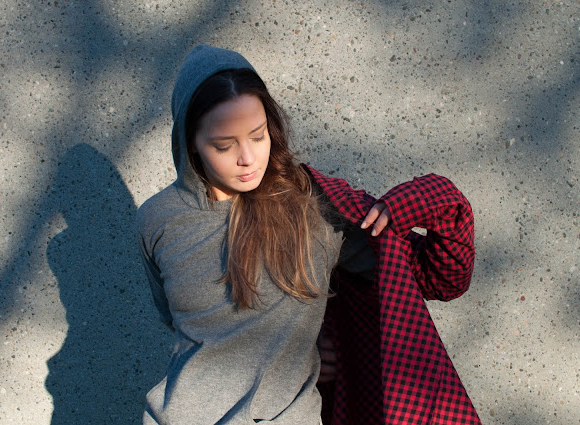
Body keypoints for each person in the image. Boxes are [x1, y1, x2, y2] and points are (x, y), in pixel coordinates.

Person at [136, 45, 480, 424]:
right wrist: (300, 341)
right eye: (224, 145)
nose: (247, 158)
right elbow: (181, 321)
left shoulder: (313, 207)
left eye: (257, 136)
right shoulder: (157, 218)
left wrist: (429, 199)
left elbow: (440, 279)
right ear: (190, 143)